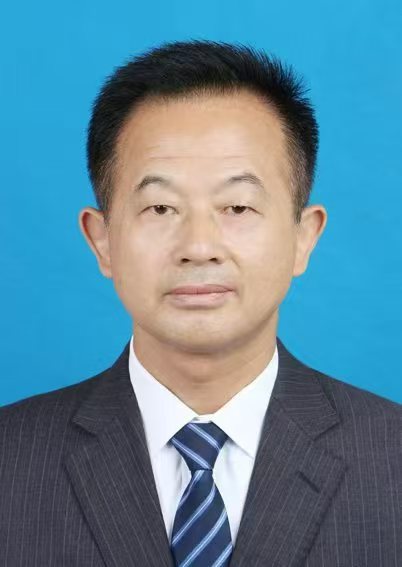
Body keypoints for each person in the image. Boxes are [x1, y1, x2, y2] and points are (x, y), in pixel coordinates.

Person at [1, 39, 401, 567]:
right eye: (160, 207)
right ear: (102, 241)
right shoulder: (11, 461)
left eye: (237, 206)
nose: (199, 247)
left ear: (304, 237)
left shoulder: (392, 459)